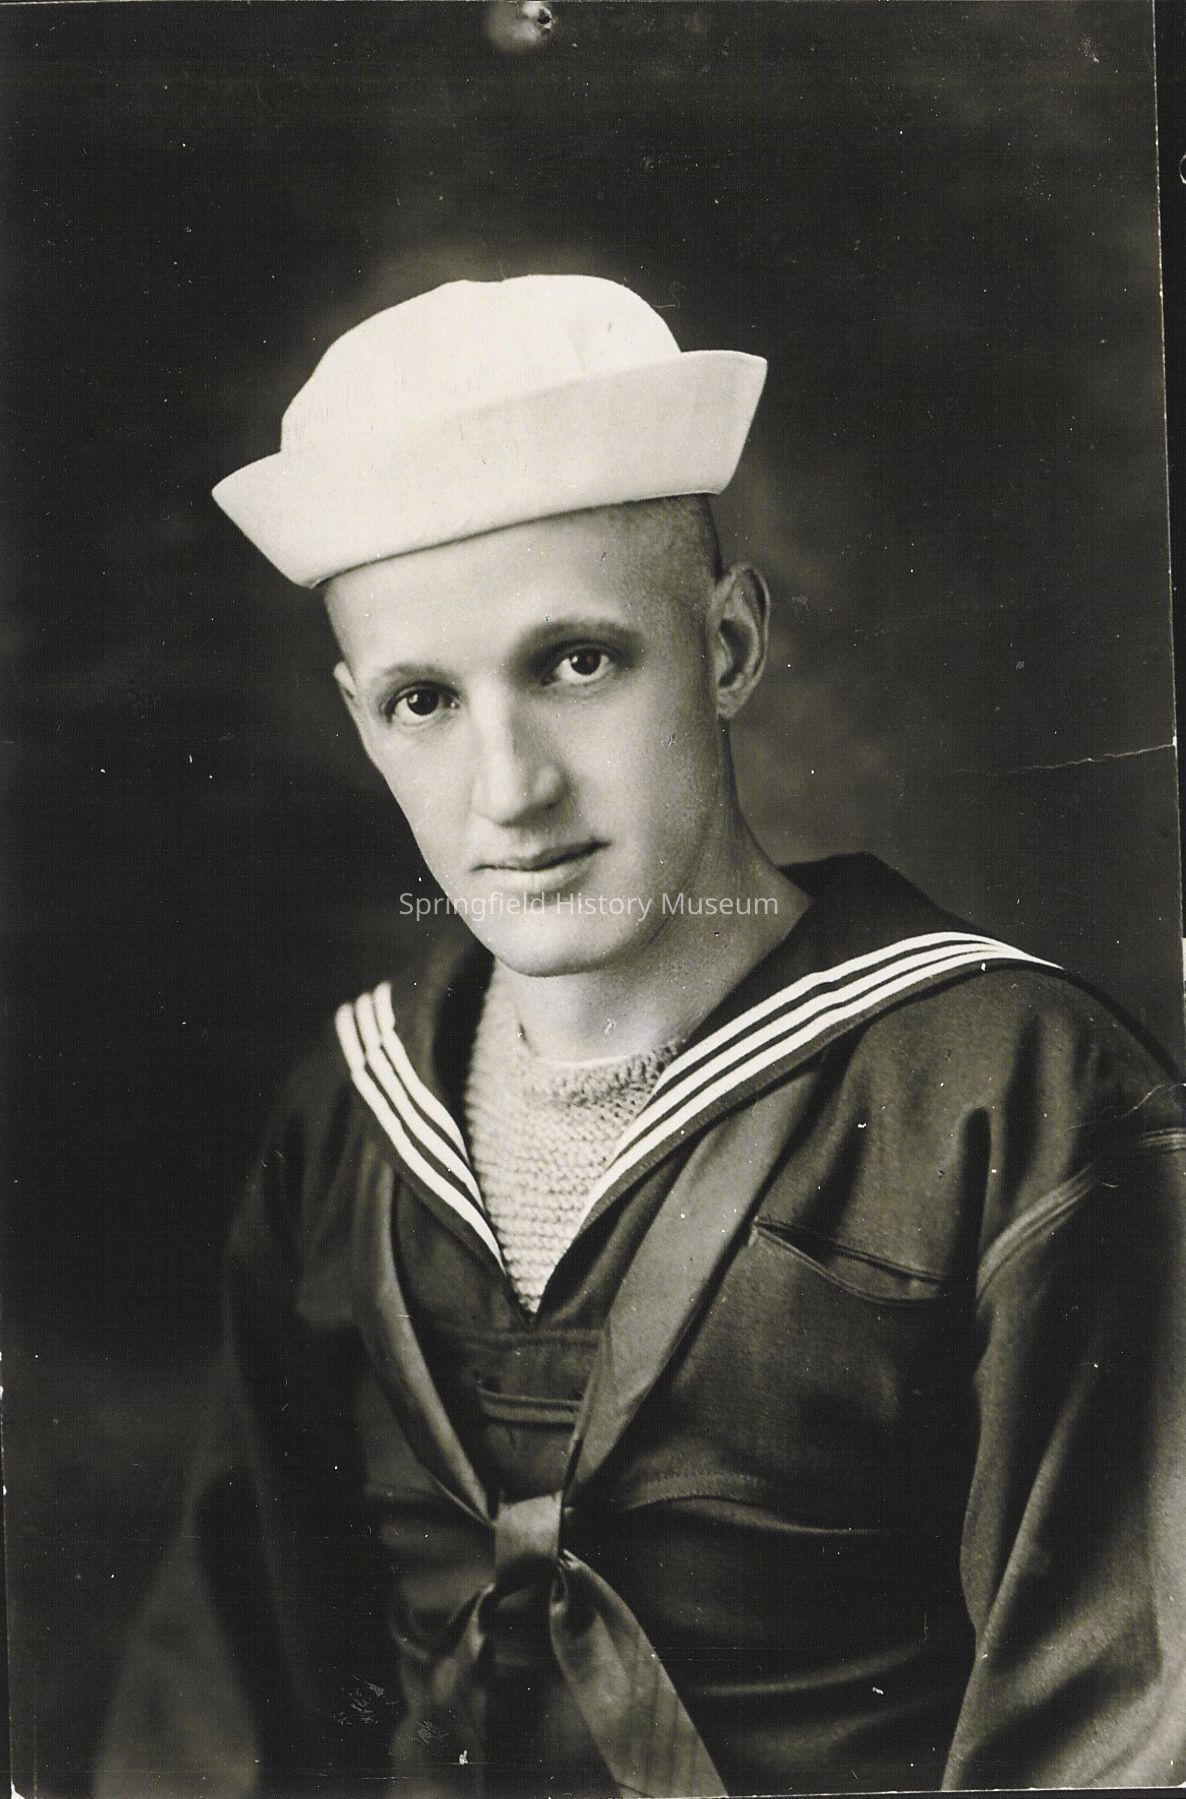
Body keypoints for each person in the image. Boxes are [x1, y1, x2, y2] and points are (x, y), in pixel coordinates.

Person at [97, 275, 1186, 1797]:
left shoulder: (1015, 1096)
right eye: (423, 700)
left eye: (576, 662)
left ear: (728, 645)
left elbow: (1123, 1728)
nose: (511, 790)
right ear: (358, 721)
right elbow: (222, 1706)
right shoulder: (348, 1112)